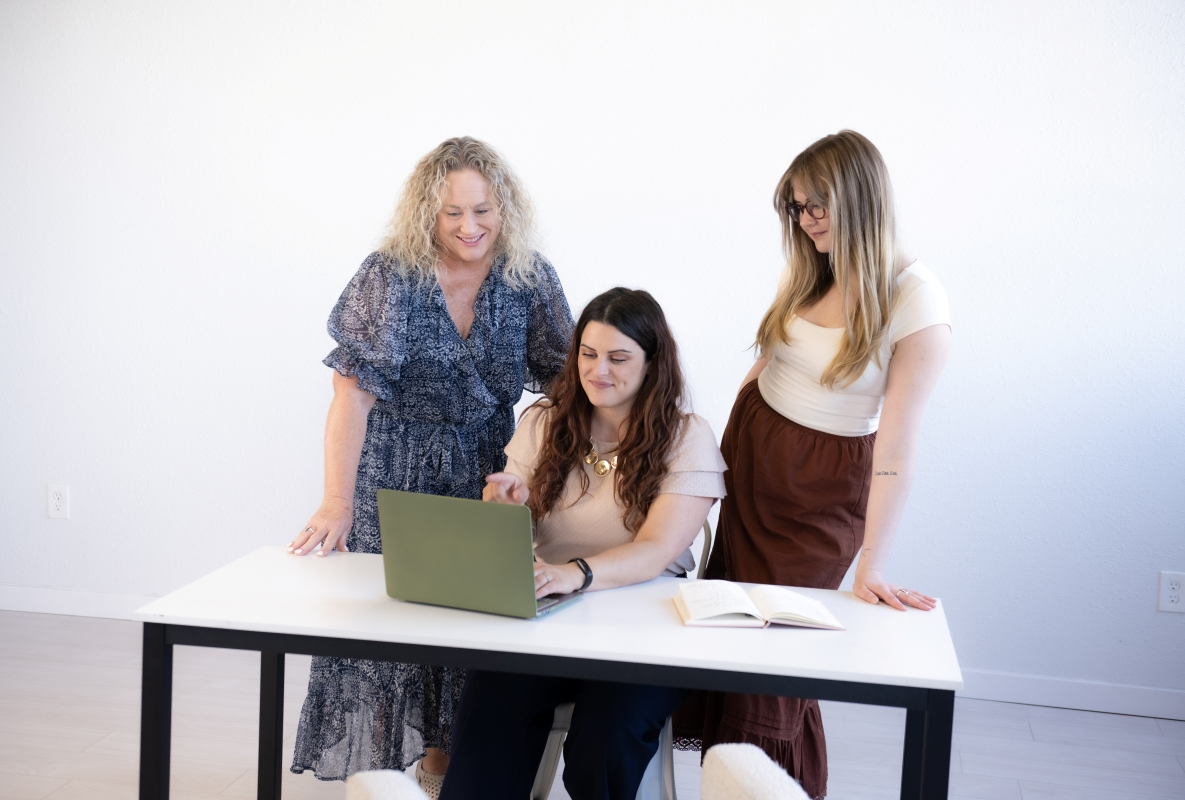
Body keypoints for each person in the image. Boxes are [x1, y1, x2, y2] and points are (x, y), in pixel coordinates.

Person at [285, 137, 574, 795]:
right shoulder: (389, 275)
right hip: (393, 479)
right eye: (452, 214)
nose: (470, 227)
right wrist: (335, 501)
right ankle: (383, 781)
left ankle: (444, 772)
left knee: (469, 642)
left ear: (505, 209)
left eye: (483, 211)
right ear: (427, 214)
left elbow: (568, 390)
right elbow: (351, 397)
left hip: (486, 481)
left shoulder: (529, 278)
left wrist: (540, 471)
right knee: (387, 638)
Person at [674, 130, 952, 800]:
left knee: (773, 668)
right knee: (734, 640)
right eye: (797, 207)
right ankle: (735, 784)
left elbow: (897, 448)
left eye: (819, 204)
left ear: (862, 197)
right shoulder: (812, 264)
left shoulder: (918, 302)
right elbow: (766, 364)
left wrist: (871, 564)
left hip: (821, 493)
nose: (807, 220)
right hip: (753, 461)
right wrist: (706, 465)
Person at [438, 288, 726, 800]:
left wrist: (578, 572)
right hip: (549, 619)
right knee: (490, 709)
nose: (599, 371)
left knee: (605, 735)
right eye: (588, 355)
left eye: (618, 358)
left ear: (652, 363)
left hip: (646, 632)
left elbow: (658, 549)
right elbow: (517, 529)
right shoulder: (544, 422)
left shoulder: (687, 437)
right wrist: (504, 512)